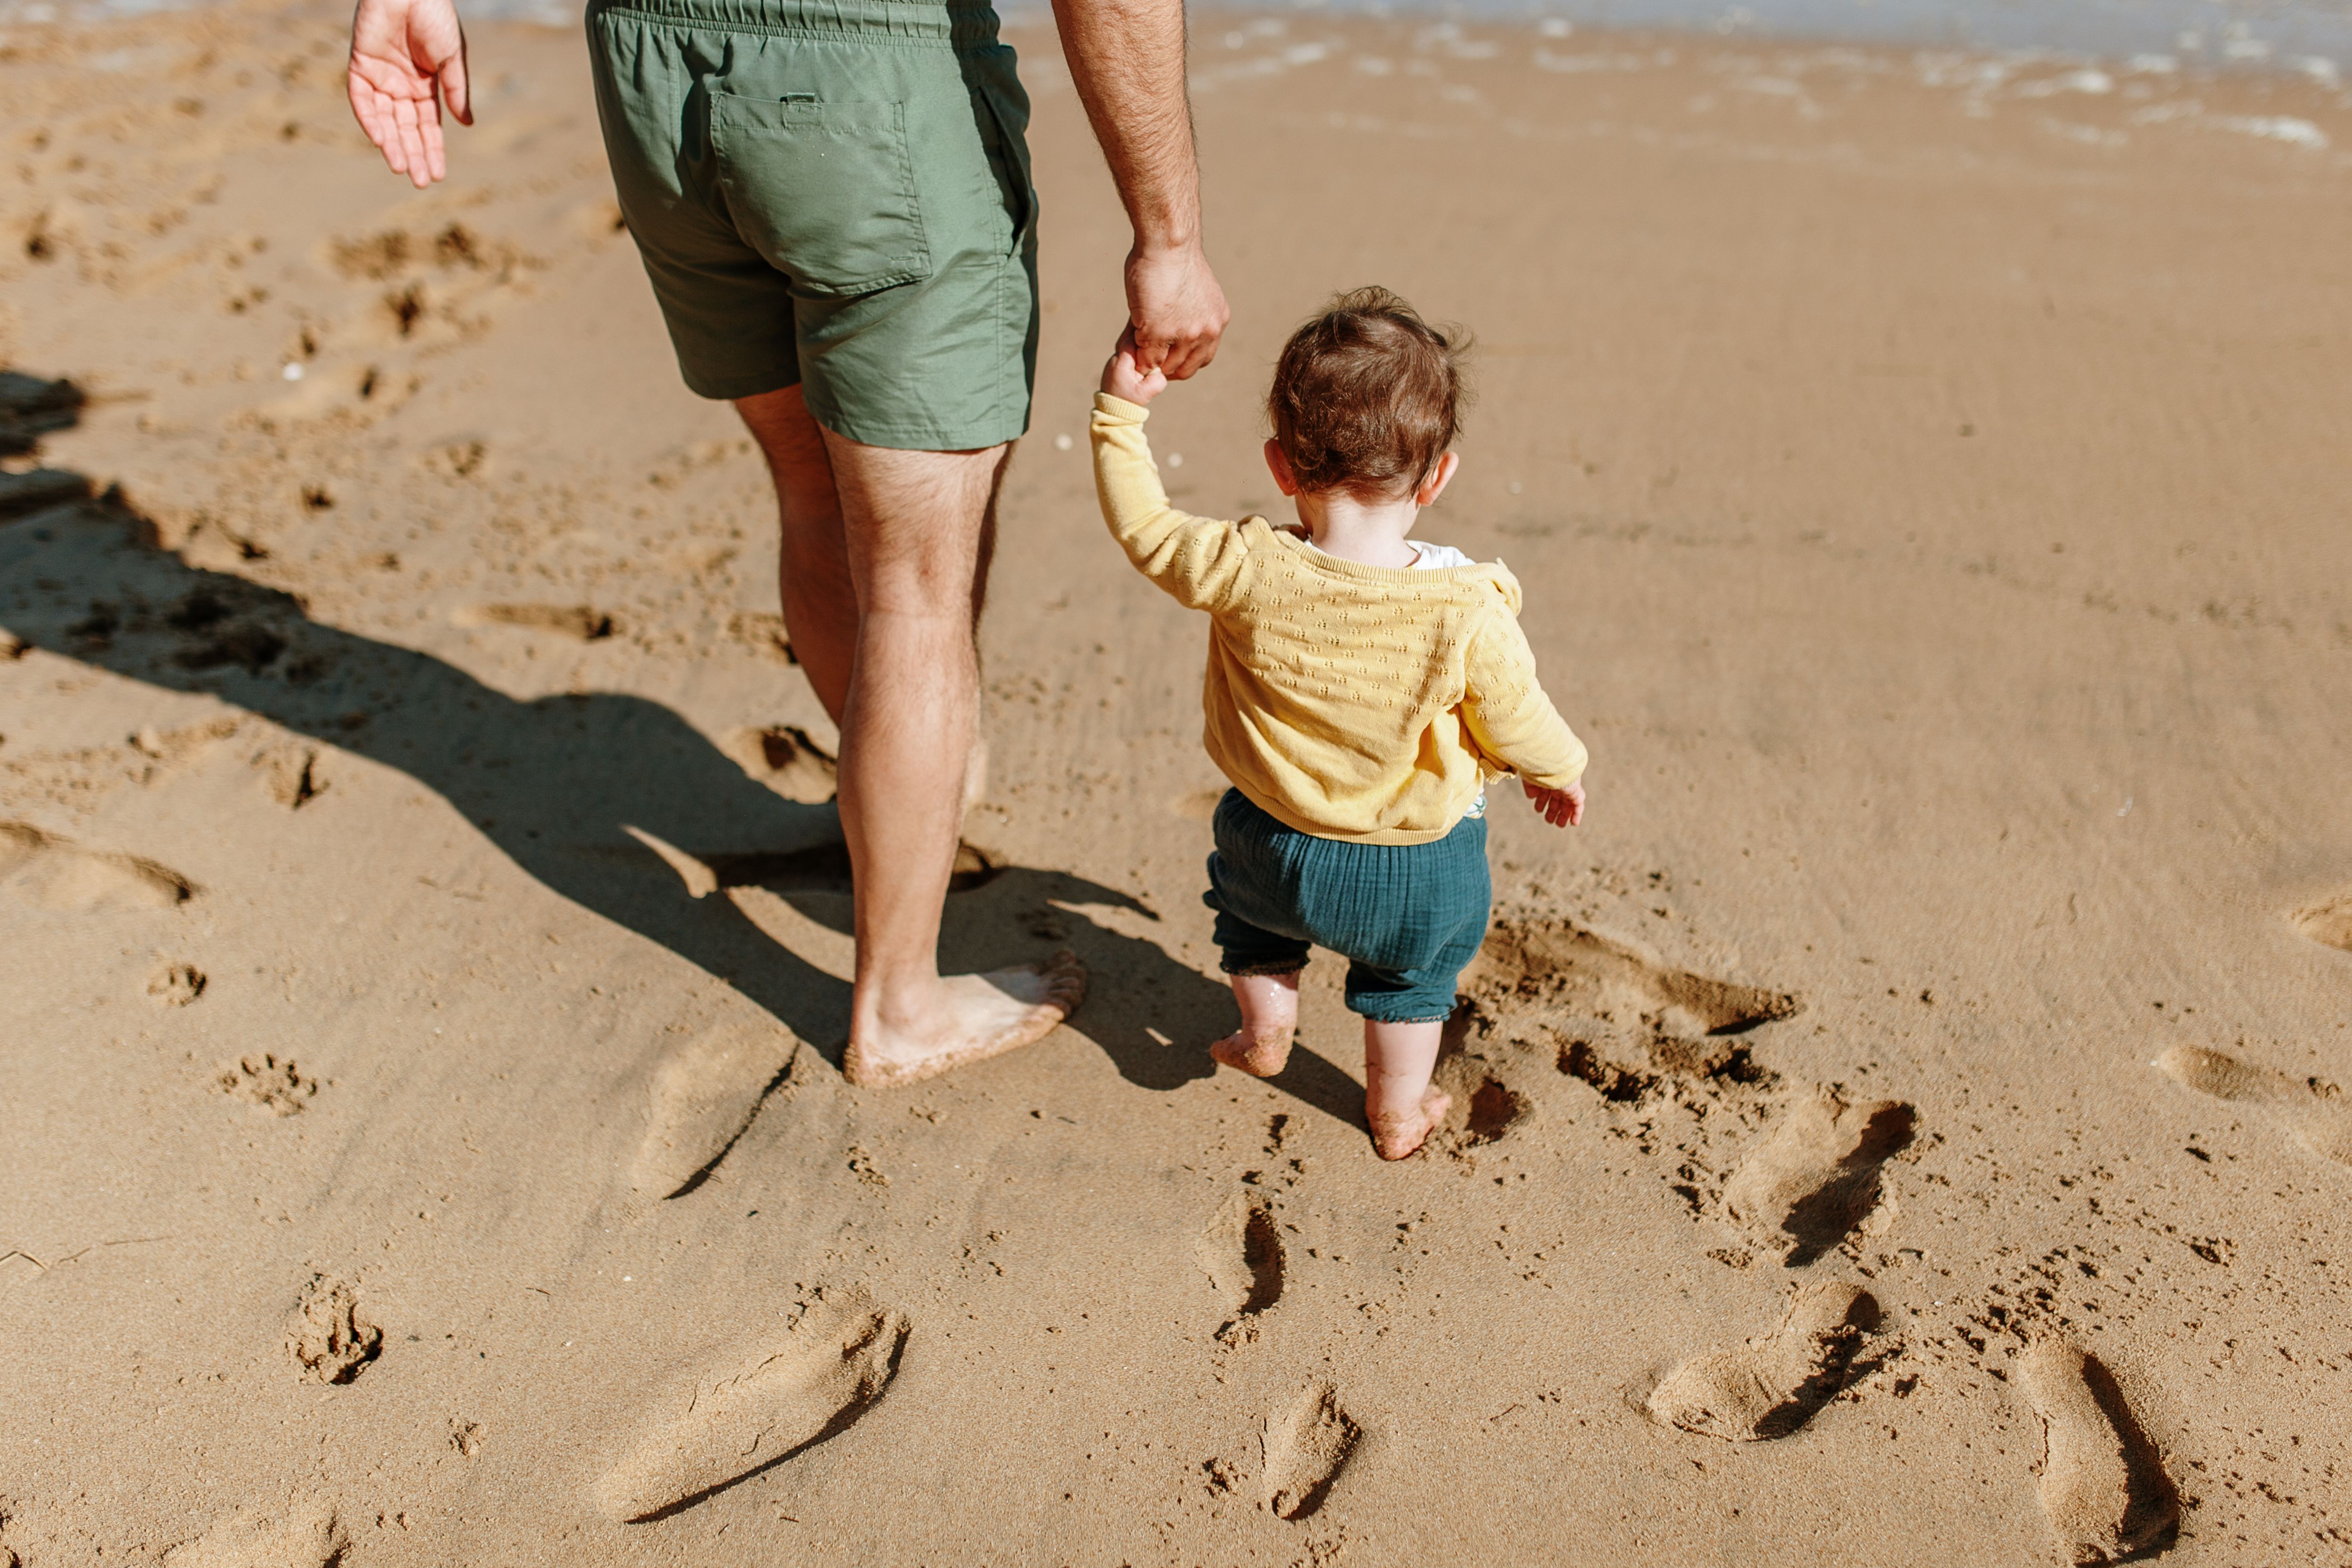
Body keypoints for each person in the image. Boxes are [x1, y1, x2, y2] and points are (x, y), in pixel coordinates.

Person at [345, 0, 1229, 1086]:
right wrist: (1169, 236)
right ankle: (901, 1002)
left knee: (814, 485)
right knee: (915, 582)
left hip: (653, 69)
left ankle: (912, 788)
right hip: (868, 88)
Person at [1091, 288, 1589, 1159]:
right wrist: (1559, 770)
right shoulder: (1463, 607)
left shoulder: (1245, 566)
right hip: (1415, 868)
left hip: (1270, 841)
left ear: (1282, 467)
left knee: (1253, 929)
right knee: (1412, 982)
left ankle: (1266, 1031)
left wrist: (1120, 419)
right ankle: (1396, 1110)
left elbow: (1145, 529)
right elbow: (1518, 716)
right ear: (1438, 477)